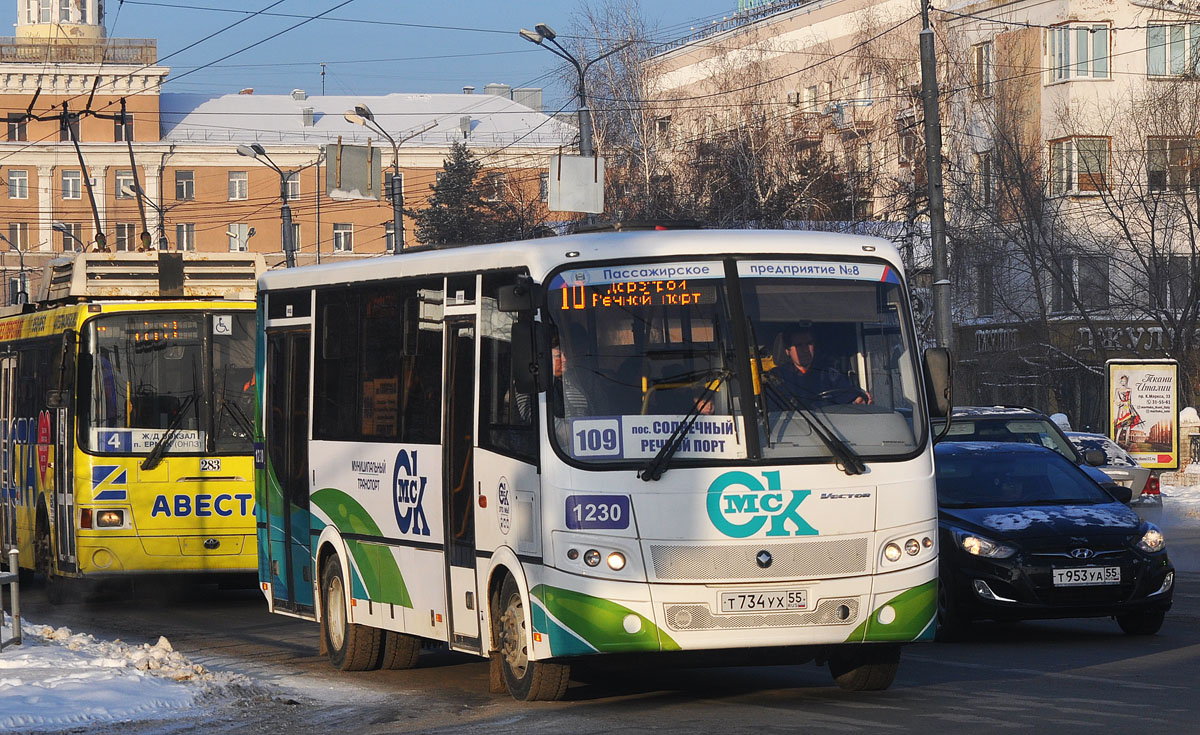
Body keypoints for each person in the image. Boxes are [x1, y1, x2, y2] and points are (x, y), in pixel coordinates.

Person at [767, 326, 870, 405]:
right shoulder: (777, 378)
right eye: (798, 345)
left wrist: (860, 399)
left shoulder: (829, 374)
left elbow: (850, 396)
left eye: (809, 343)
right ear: (787, 351)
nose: (805, 349)